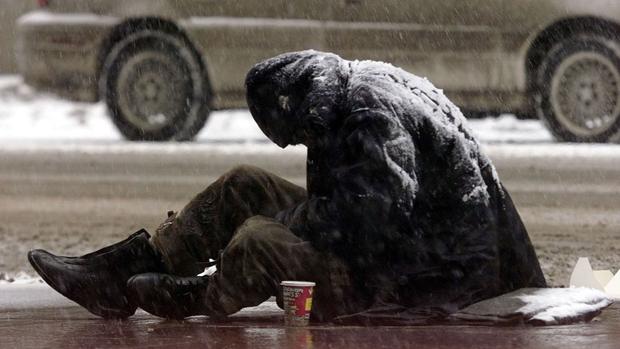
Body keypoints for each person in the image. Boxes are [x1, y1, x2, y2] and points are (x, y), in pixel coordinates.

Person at [28, 50, 546, 323]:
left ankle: (202, 295)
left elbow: (368, 225)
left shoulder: (370, 118)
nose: (290, 147)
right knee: (243, 187)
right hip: (402, 251)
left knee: (259, 238)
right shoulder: (349, 91)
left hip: (427, 281)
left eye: (293, 136)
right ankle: (129, 268)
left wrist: (284, 227)